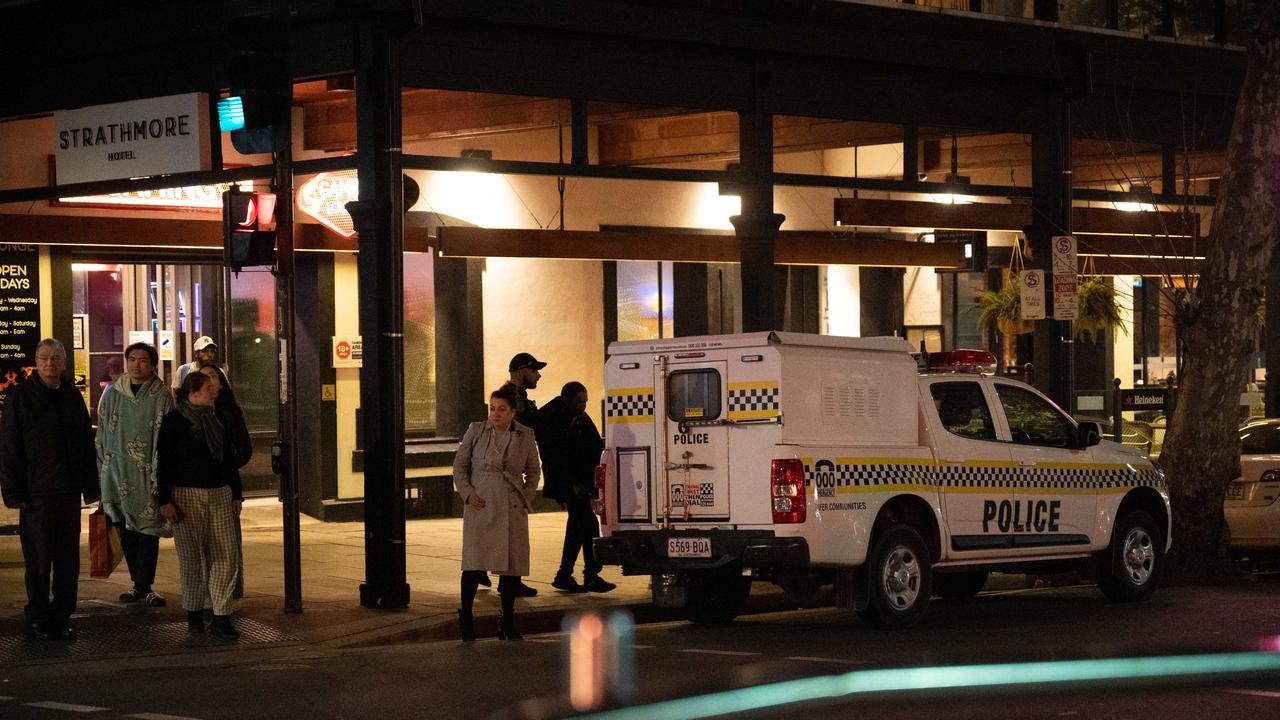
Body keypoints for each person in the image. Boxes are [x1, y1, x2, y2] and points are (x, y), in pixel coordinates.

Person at [0, 338, 99, 641]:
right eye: (44, 358)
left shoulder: (71, 396)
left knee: (68, 558)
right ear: (35, 361)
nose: (49, 364)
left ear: (64, 363)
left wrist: (91, 487)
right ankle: (38, 616)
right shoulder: (21, 396)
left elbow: (85, 443)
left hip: (68, 491)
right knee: (39, 559)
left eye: (55, 358)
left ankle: (62, 615)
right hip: (37, 493)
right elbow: (9, 446)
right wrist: (13, 492)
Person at [157, 371, 243, 639]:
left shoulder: (219, 418)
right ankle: (194, 615)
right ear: (193, 392)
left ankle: (221, 615)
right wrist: (165, 500)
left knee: (225, 555)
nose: (213, 389)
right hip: (185, 495)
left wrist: (236, 494)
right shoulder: (174, 422)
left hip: (219, 492)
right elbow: (164, 463)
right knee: (191, 557)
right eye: (208, 387)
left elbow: (229, 459)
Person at [453, 386, 541, 641]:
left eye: (501, 409)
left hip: (511, 504)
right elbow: (460, 465)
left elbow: (534, 470)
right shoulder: (477, 430)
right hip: (482, 503)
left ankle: (507, 619)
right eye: (492, 408)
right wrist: (467, 493)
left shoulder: (525, 435)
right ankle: (466, 618)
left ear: (512, 411)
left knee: (511, 566)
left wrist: (526, 494)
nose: (496, 413)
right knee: (473, 561)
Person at [96, 342, 175, 608]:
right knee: (125, 530)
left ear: (153, 365)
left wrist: (159, 476)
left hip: (146, 476)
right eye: (132, 359)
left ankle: (146, 585)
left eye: (142, 360)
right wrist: (103, 472)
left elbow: (166, 439)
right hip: (117, 473)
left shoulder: (161, 395)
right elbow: (102, 435)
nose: (136, 365)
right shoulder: (112, 393)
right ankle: (136, 584)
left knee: (148, 531)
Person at [538, 381, 615, 594]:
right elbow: (554, 456)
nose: (583, 406)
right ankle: (588, 574)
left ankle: (566, 574)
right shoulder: (553, 419)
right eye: (579, 402)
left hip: (579, 480)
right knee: (586, 523)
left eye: (585, 402)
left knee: (577, 526)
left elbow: (593, 444)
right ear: (567, 400)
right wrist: (572, 485)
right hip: (565, 480)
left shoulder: (578, 417)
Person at [495, 351, 548, 598]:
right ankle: (509, 582)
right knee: (510, 535)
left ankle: (511, 580)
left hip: (516, 471)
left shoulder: (519, 396)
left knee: (514, 535)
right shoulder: (511, 397)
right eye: (533, 370)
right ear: (519, 371)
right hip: (509, 473)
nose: (537, 375)